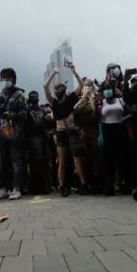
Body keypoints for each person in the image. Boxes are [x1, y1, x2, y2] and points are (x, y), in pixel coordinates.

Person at [44, 66, 88, 196]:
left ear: (65, 89)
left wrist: (74, 71)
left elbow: (81, 84)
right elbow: (45, 86)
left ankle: (83, 184)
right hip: (61, 133)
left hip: (73, 132)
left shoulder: (71, 98)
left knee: (77, 160)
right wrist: (53, 73)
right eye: (57, 88)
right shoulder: (53, 102)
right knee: (62, 162)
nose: (59, 89)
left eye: (61, 87)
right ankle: (62, 186)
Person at [0, 68, 27, 200]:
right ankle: (4, 188)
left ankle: (16, 188)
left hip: (15, 133)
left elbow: (25, 113)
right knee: (3, 163)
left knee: (16, 162)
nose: (6, 80)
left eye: (9, 77)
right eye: (4, 78)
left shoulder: (19, 95)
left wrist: (14, 115)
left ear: (14, 79)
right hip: (1, 133)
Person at [99, 81, 130, 195]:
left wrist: (124, 119)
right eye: (105, 89)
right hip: (107, 131)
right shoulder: (101, 103)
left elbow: (131, 112)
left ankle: (125, 185)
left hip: (120, 129)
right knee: (108, 160)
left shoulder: (120, 100)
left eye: (109, 88)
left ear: (113, 89)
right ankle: (109, 187)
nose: (107, 90)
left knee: (123, 158)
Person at [25, 90, 51, 194]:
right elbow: (25, 127)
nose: (35, 98)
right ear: (29, 98)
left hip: (43, 138)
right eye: (33, 96)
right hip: (32, 139)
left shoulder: (43, 111)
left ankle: (45, 187)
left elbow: (47, 125)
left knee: (44, 163)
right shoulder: (27, 111)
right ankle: (34, 188)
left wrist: (48, 120)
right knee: (35, 164)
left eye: (37, 96)